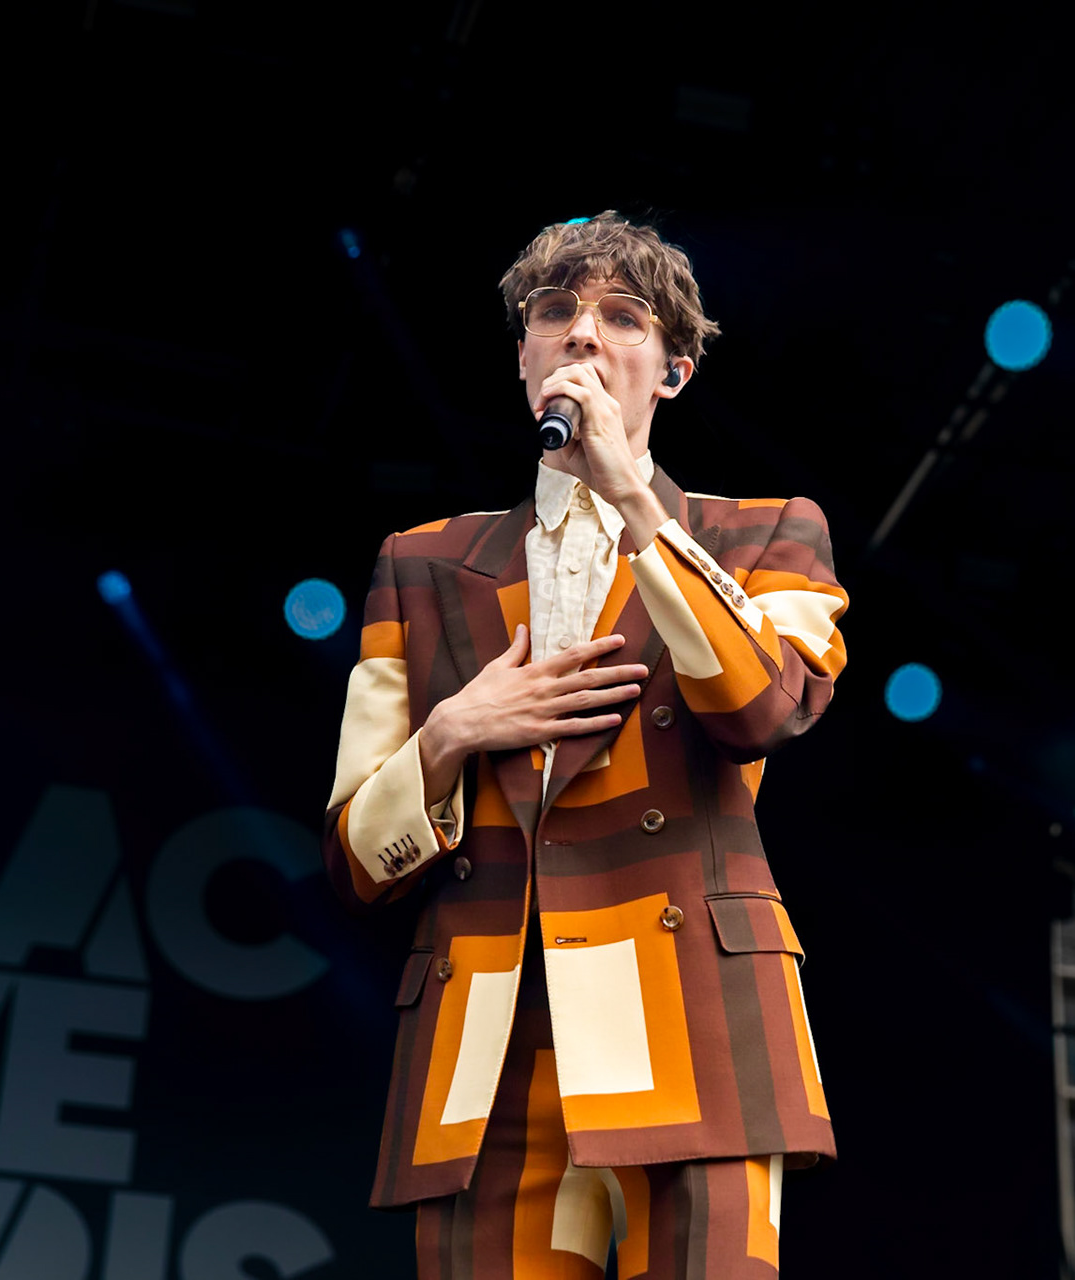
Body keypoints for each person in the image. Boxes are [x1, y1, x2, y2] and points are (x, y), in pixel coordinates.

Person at [320, 211, 848, 1279]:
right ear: (523, 356)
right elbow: (350, 855)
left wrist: (632, 501)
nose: (584, 338)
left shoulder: (765, 531)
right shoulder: (420, 564)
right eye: (555, 313)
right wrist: (451, 731)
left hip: (697, 1016)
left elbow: (763, 706)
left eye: (622, 318)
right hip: (491, 1042)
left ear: (674, 370)